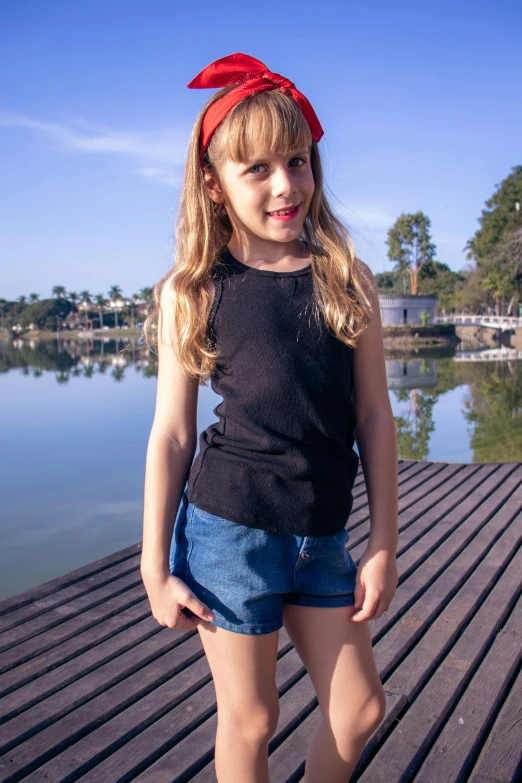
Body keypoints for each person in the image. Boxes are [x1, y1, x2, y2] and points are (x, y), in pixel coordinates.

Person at [140, 52, 399, 783]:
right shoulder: (192, 289)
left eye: (298, 160)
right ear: (215, 186)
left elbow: (376, 416)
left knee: (359, 709)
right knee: (252, 718)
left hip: (322, 536)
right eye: (257, 169)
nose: (286, 184)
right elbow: (172, 433)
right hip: (229, 531)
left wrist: (383, 540)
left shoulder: (345, 278)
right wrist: (152, 564)